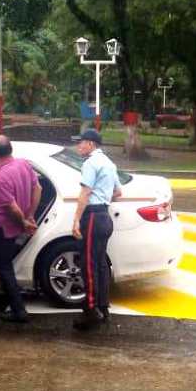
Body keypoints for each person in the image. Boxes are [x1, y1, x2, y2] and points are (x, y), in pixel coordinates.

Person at [0, 135, 42, 323]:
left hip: (3, 229)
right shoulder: (24, 164)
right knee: (6, 266)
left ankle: (18, 311)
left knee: (4, 269)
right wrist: (30, 216)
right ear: (11, 149)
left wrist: (24, 222)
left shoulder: (0, 178)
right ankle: (17, 308)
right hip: (17, 227)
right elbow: (38, 189)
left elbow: (12, 208)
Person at [72, 129, 122, 331]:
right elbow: (118, 191)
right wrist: (103, 201)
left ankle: (91, 311)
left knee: (89, 265)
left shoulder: (91, 163)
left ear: (91, 144)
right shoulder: (109, 163)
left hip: (92, 217)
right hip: (104, 217)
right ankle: (102, 306)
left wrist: (76, 220)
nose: (79, 146)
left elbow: (85, 192)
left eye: (81, 142)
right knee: (100, 264)